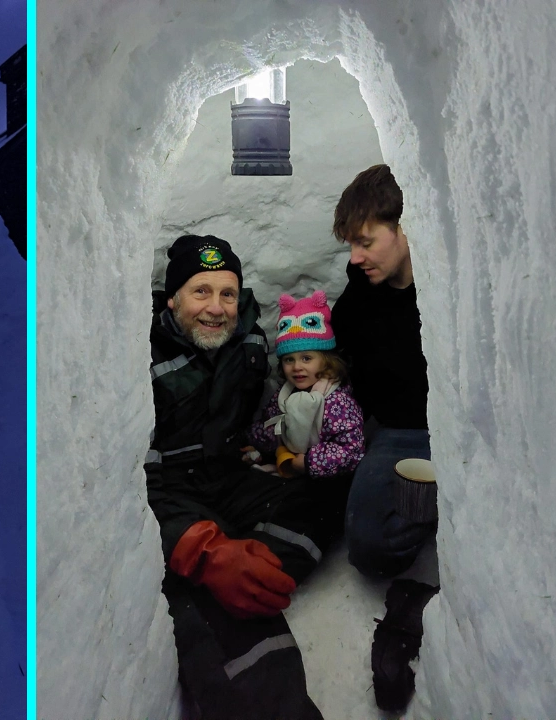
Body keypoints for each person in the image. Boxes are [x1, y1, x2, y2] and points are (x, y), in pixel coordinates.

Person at [145, 234, 350, 720]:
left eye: (228, 293)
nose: (216, 308)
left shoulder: (250, 339)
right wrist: (204, 549)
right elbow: (128, 479)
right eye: (201, 292)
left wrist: (267, 448)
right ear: (173, 298)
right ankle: (211, 586)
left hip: (229, 478)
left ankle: (239, 571)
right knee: (208, 588)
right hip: (170, 491)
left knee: (330, 491)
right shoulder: (141, 355)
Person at [331, 164, 439, 712]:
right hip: (399, 433)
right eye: (352, 245)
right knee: (368, 544)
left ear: (405, 228)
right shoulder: (361, 297)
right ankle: (431, 517)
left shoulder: (443, 290)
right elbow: (337, 355)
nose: (355, 257)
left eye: (366, 242)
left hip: (452, 427)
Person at [245, 290, 365, 480]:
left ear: (326, 360)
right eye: (289, 360)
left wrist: (310, 462)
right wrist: (255, 444)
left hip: (327, 480)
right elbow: (272, 428)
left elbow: (352, 450)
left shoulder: (338, 403)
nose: (297, 367)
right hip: (289, 469)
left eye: (306, 358)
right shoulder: (284, 395)